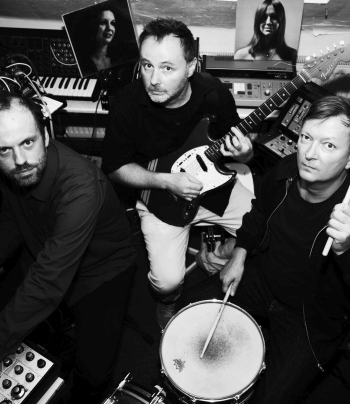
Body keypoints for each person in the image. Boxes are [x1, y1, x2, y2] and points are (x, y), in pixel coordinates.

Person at [176, 95, 350, 403]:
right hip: (262, 279)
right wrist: (240, 254)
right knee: (186, 315)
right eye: (307, 138)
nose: (309, 154)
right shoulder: (287, 169)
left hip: (309, 317)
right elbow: (259, 210)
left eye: (329, 145)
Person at [0, 93, 136, 404]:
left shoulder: (81, 188)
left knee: (93, 375)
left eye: (28, 142)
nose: (20, 160)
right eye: (4, 150)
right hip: (43, 251)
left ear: (46, 135)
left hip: (101, 271)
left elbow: (47, 283)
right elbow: (13, 220)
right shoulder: (17, 169)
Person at [101, 18, 255, 328]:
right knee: (167, 282)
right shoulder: (127, 103)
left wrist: (245, 153)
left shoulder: (214, 94)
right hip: (160, 195)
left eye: (167, 68)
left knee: (265, 231)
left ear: (191, 67)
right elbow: (115, 168)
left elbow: (238, 146)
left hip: (213, 185)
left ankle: (214, 256)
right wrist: (166, 181)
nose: (153, 80)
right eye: (147, 65)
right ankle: (168, 301)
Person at [90, 7, 117, 71]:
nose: (109, 28)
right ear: (93, 26)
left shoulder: (118, 58)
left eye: (112, 23)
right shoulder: (84, 62)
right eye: (103, 22)